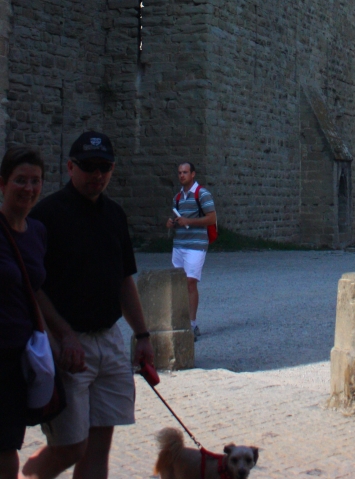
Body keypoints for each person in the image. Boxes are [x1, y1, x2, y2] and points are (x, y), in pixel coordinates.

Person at [23, 131, 155, 479]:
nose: (97, 175)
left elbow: (125, 279)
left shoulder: (114, 214)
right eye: (89, 167)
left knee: (99, 446)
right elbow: (33, 287)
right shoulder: (46, 216)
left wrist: (142, 335)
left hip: (108, 339)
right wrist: (62, 335)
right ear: (70, 167)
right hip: (67, 342)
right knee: (69, 446)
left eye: (105, 167)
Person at [0, 147, 50, 479]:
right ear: (2, 184)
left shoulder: (37, 233)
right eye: (20, 180)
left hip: (16, 359)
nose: (28, 189)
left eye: (35, 181)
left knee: (6, 448)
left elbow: (36, 293)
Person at [165, 162, 216, 341]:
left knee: (190, 282)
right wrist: (171, 223)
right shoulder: (177, 197)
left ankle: (192, 324)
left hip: (196, 244)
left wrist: (189, 221)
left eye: (185, 172)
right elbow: (176, 217)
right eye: (179, 172)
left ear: (193, 174)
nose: (182, 175)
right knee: (179, 284)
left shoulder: (202, 194)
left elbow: (212, 218)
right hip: (179, 244)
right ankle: (181, 322)